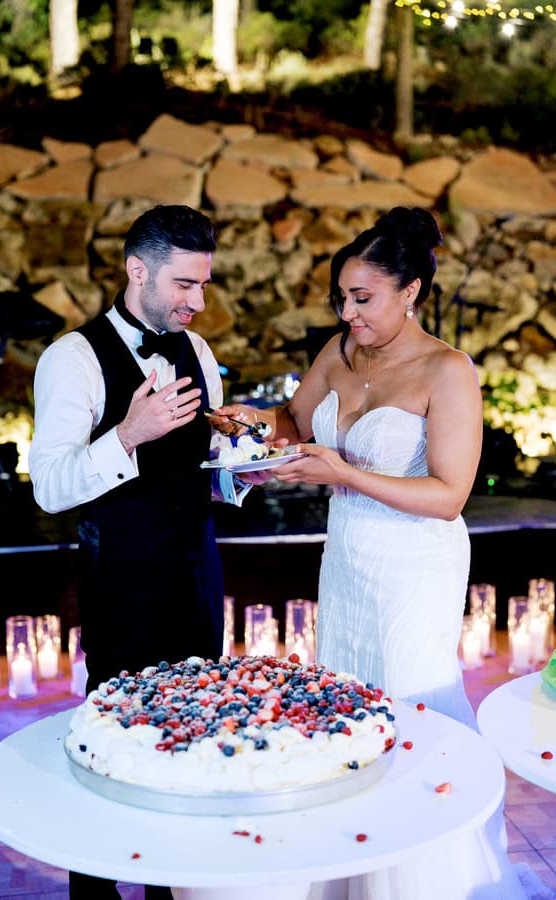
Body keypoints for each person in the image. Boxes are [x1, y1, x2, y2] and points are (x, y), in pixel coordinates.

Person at [213, 207, 553, 899]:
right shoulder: (338, 351)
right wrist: (255, 419)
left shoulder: (448, 370)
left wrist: (341, 472)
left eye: (363, 298)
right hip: (350, 558)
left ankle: (424, 876)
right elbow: (296, 421)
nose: (348, 311)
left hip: (416, 561)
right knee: (348, 694)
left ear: (411, 292)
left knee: (409, 697)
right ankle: (355, 864)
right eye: (341, 297)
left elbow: (450, 494)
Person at [28, 204, 260, 900]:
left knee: (191, 736)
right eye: (184, 285)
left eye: (203, 286)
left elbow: (202, 472)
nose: (197, 301)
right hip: (121, 581)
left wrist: (238, 468)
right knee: (114, 744)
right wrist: (127, 434)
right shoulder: (71, 357)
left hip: (197, 571)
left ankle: (172, 885)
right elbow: (49, 487)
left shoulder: (202, 355)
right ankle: (96, 889)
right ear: (138, 271)